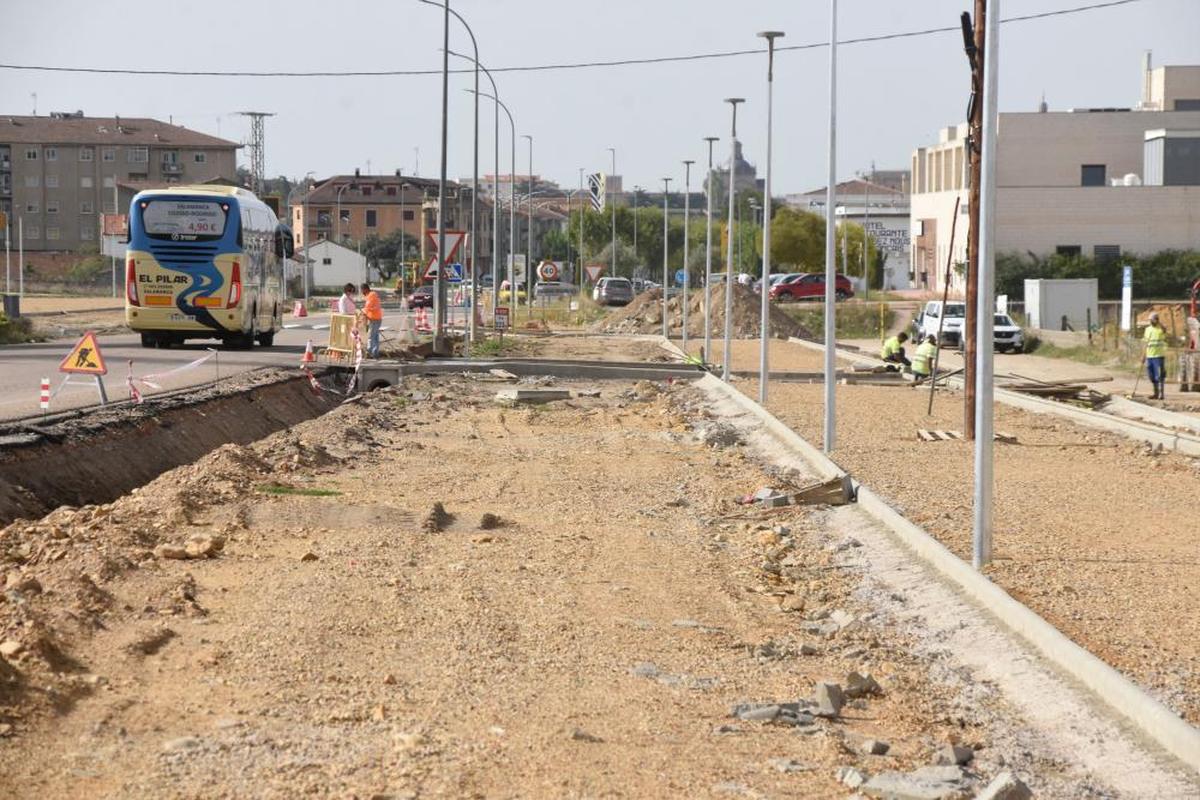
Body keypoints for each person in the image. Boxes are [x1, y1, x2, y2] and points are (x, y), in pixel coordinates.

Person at [1143, 311, 1168, 400]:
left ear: (1156, 320)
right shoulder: (1147, 329)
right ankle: (1155, 393)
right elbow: (1145, 343)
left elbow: (1165, 329)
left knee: (1160, 375)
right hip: (1149, 356)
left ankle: (1161, 394)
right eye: (1150, 320)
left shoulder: (1161, 329)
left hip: (1158, 356)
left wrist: (1159, 322)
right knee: (1151, 375)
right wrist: (1143, 356)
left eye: (1152, 320)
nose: (1150, 322)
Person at [361, 282, 383, 359]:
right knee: (375, 336)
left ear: (365, 289)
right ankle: (375, 353)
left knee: (371, 337)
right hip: (377, 318)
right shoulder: (373, 295)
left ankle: (369, 352)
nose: (362, 293)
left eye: (362, 291)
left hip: (374, 319)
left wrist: (362, 311)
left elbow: (367, 307)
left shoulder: (371, 296)